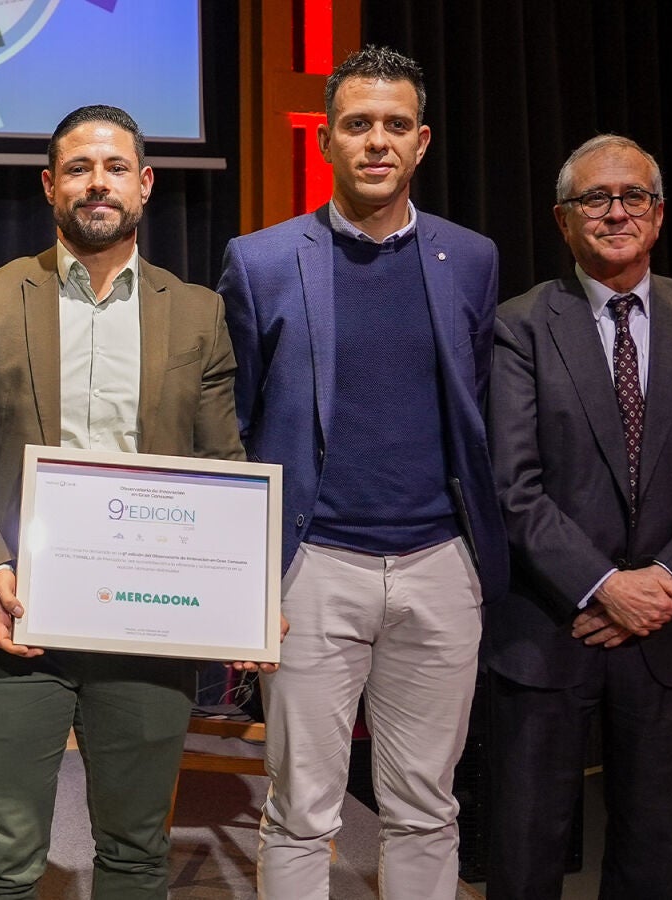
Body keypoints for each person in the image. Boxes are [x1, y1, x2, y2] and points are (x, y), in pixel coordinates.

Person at [0, 104, 259, 899]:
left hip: (148, 625)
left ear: (145, 184)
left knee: (137, 854)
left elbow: (221, 466)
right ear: (50, 186)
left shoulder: (197, 312)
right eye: (78, 168)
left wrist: (243, 595)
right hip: (12, 618)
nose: (96, 183)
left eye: (114, 168)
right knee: (3, 863)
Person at [218, 46, 509, 898]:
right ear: (325, 140)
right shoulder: (261, 260)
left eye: (394, 125)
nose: (377, 141)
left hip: (440, 567)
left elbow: (478, 407)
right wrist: (248, 580)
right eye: (357, 124)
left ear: (422, 141)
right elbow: (233, 428)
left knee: (427, 807)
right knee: (301, 811)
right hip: (312, 570)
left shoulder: (473, 258)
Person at [483, 135, 672, 899]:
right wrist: (605, 586)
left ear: (658, 214)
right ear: (562, 220)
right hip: (550, 627)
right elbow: (512, 485)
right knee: (524, 858)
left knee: (652, 863)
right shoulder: (518, 326)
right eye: (594, 199)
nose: (616, 213)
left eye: (633, 196)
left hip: (671, 634)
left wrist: (661, 586)